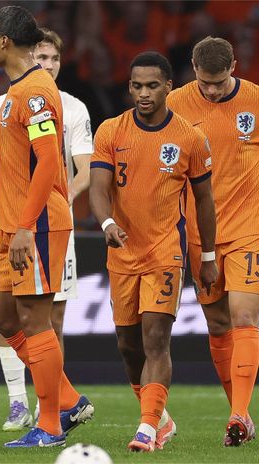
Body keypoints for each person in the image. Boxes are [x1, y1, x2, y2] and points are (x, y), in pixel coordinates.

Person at [90, 51, 218, 453]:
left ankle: (146, 429)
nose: (143, 94)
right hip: (122, 253)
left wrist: (209, 257)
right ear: (129, 87)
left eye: (151, 86)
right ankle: (160, 416)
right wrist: (108, 223)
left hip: (165, 252)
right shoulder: (111, 130)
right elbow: (98, 187)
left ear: (168, 87)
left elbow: (204, 201)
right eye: (136, 86)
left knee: (155, 339)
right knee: (128, 346)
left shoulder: (189, 137)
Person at [0, 6, 92, 448]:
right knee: (3, 316)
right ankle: (67, 398)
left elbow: (50, 159)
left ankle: (49, 425)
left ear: (6, 40)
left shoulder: (34, 93)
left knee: (34, 319)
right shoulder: (16, 92)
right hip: (11, 223)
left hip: (37, 223)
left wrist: (27, 226)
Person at [166, 36, 259, 447]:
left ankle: (236, 414)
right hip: (200, 234)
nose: (212, 90)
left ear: (235, 65)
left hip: (250, 227)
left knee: (244, 318)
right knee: (217, 324)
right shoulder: (176, 103)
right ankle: (243, 415)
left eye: (218, 82)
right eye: (204, 82)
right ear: (192, 70)